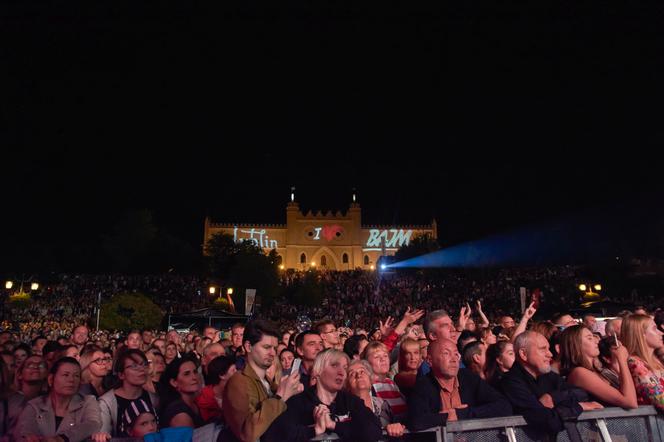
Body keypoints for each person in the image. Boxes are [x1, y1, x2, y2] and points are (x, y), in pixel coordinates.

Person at [501, 331, 601, 441]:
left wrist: (553, 397)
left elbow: (581, 394)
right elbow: (548, 421)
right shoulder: (511, 382)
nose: (550, 354)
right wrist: (580, 407)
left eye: (548, 349)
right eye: (543, 349)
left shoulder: (547, 375)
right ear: (523, 354)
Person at [264, 349, 382, 442]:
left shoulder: (351, 401)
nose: (341, 372)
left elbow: (374, 431)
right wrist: (314, 430)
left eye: (345, 368)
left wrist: (334, 425)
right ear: (317, 370)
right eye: (335, 365)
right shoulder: (298, 402)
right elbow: (273, 436)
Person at [223, 320, 303, 442]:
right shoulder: (238, 382)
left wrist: (292, 394)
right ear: (248, 346)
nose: (272, 353)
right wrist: (281, 396)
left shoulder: (269, 383)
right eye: (266, 347)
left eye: (275, 348)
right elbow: (247, 433)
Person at [407, 338, 511, 431]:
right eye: (446, 353)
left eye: (456, 354)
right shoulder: (423, 385)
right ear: (430, 361)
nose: (454, 359)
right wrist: (447, 417)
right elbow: (415, 421)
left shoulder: (468, 377)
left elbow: (504, 406)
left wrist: (462, 414)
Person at [14, 357, 102, 442]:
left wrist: (63, 438)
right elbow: (24, 432)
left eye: (76, 376)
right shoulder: (35, 405)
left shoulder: (88, 401)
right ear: (51, 379)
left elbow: (93, 424)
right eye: (65, 375)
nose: (71, 380)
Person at [559, 325, 637, 408]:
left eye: (594, 337)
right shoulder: (579, 372)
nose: (596, 341)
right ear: (575, 345)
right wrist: (622, 360)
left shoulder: (598, 370)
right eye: (589, 338)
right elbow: (630, 402)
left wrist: (617, 366)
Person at [98, 349, 159, 438]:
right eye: (134, 366)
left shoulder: (153, 399)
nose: (141, 369)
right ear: (121, 375)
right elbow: (103, 435)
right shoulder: (106, 403)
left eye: (144, 364)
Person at [346, 359, 405, 438]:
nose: (358, 375)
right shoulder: (343, 409)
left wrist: (395, 427)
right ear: (347, 386)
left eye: (362, 372)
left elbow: (394, 427)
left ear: (371, 381)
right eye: (352, 374)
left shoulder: (382, 404)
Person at [621, 314, 664, 410]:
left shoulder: (656, 360)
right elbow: (660, 400)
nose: (661, 333)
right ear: (641, 334)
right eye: (654, 329)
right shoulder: (634, 362)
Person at [159, 356, 204, 428]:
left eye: (195, 372)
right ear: (174, 382)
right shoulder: (180, 415)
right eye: (187, 374)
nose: (194, 377)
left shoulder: (192, 403)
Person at [196, 355, 237, 424]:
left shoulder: (237, 392)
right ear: (222, 375)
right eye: (233, 370)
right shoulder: (204, 399)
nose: (237, 372)